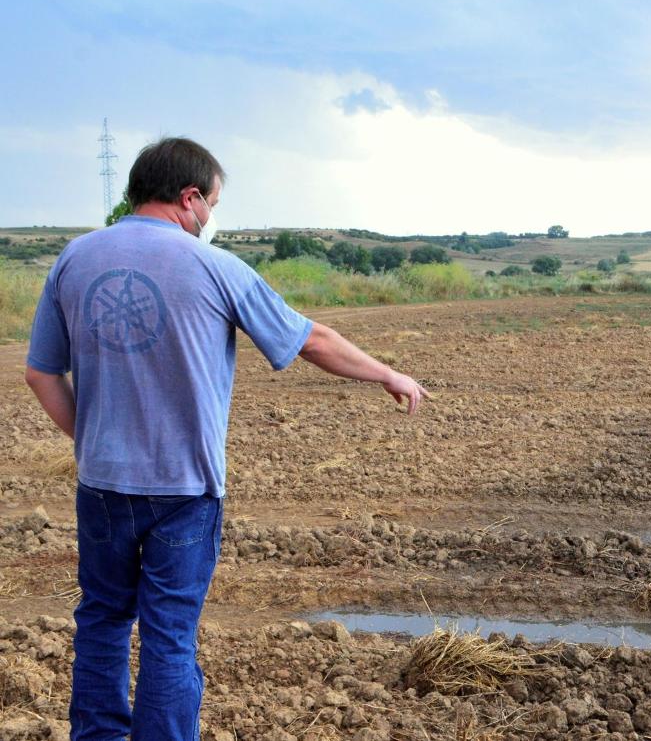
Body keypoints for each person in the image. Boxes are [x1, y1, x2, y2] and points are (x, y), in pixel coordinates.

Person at [23, 137, 428, 740]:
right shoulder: (214, 267)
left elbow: (40, 372)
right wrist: (388, 372)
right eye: (211, 204)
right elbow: (309, 339)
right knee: (169, 635)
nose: (209, 218)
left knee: (103, 620)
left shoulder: (74, 259)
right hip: (185, 489)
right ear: (189, 199)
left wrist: (93, 440)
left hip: (102, 486)